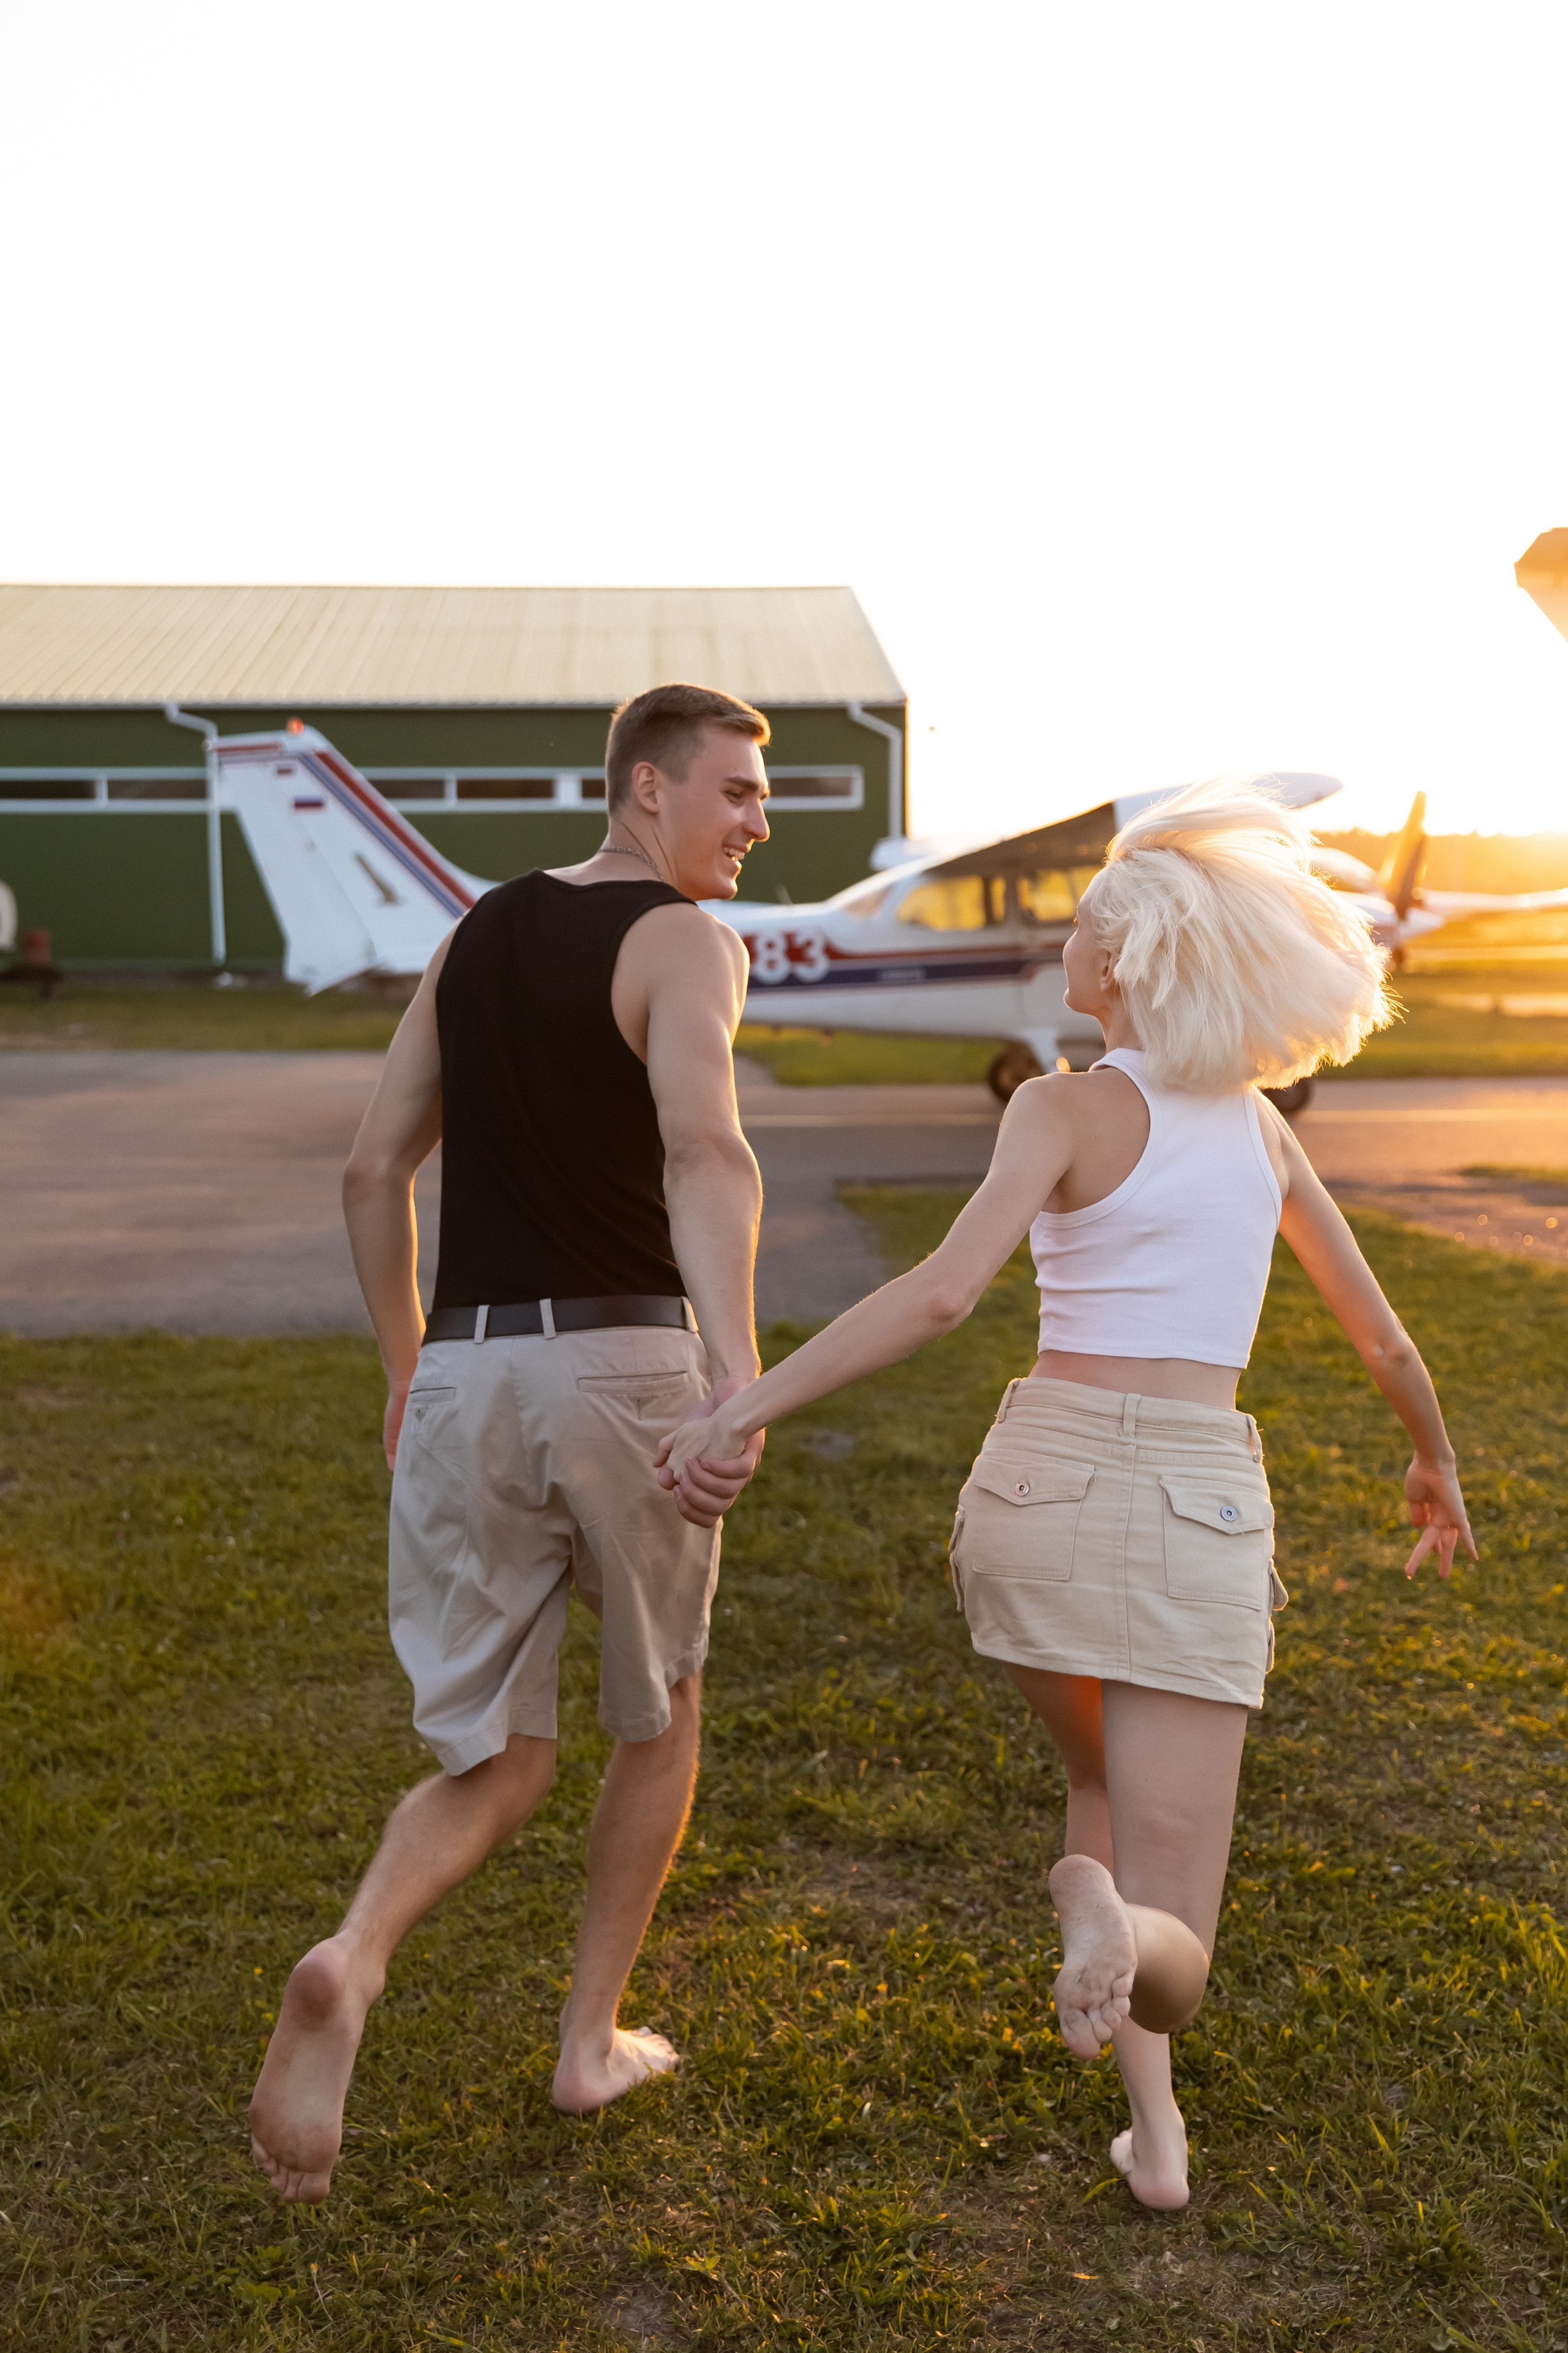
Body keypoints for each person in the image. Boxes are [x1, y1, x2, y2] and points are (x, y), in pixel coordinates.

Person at [657, 780, 1476, 2213]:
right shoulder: (1263, 1134)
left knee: (1094, 1781)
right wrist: (1432, 1462)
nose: (1061, 951)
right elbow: (1381, 1336)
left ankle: (1152, 2136)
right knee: (1179, 1936)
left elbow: (937, 1297)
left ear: (1131, 961)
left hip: (1030, 1490)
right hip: (1193, 1509)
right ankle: (1105, 1929)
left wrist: (747, 1402)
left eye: (1082, 932)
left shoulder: (1054, 1107)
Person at [249, 682, 772, 2204]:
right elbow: (704, 1148)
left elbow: (369, 1170)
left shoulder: (476, 931)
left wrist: (406, 1369)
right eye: (733, 790)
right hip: (623, 1365)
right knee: (658, 1709)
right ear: (643, 790)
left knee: (496, 1751)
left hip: (472, 1373)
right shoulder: (683, 939)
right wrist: (733, 1378)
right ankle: (586, 2039)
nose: (754, 819)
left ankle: (353, 1953)